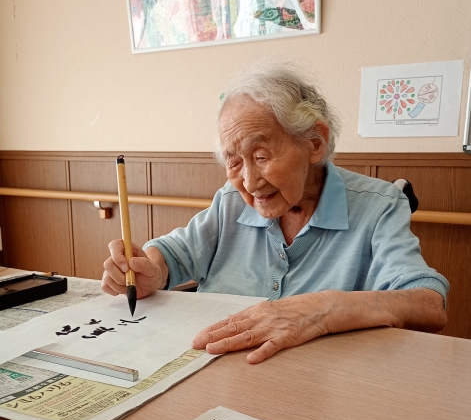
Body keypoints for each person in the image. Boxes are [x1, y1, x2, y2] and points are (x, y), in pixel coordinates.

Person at [102, 64, 448, 364]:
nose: (249, 181)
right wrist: (149, 269)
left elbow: (429, 305)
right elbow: (173, 253)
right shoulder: (231, 201)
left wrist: (322, 309)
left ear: (314, 143)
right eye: (234, 161)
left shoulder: (378, 205)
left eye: (261, 156)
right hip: (212, 375)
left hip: (318, 389)